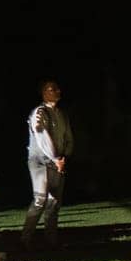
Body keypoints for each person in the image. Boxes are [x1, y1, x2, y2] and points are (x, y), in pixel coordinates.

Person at [23, 80, 74, 251]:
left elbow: (68, 137)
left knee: (54, 201)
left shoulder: (62, 114)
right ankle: (25, 239)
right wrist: (55, 158)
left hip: (58, 161)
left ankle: (51, 240)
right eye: (52, 89)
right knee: (40, 199)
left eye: (57, 88)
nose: (57, 91)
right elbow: (42, 137)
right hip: (40, 161)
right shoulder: (40, 112)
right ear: (44, 93)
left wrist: (64, 156)